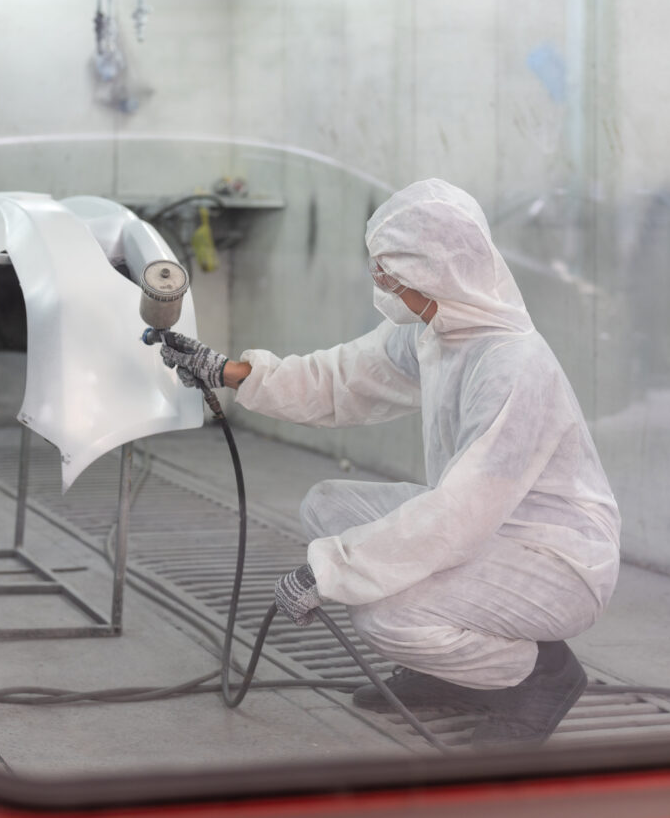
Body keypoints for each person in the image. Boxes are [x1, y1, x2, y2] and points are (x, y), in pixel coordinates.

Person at [160, 179, 620, 749]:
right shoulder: (441, 330)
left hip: (556, 561)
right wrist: (229, 372)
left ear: (435, 273)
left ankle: (538, 676)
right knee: (329, 504)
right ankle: (451, 670)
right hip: (491, 531)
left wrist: (328, 571)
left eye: (390, 273)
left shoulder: (512, 366)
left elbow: (458, 515)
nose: (381, 282)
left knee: (386, 618)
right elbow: (342, 379)